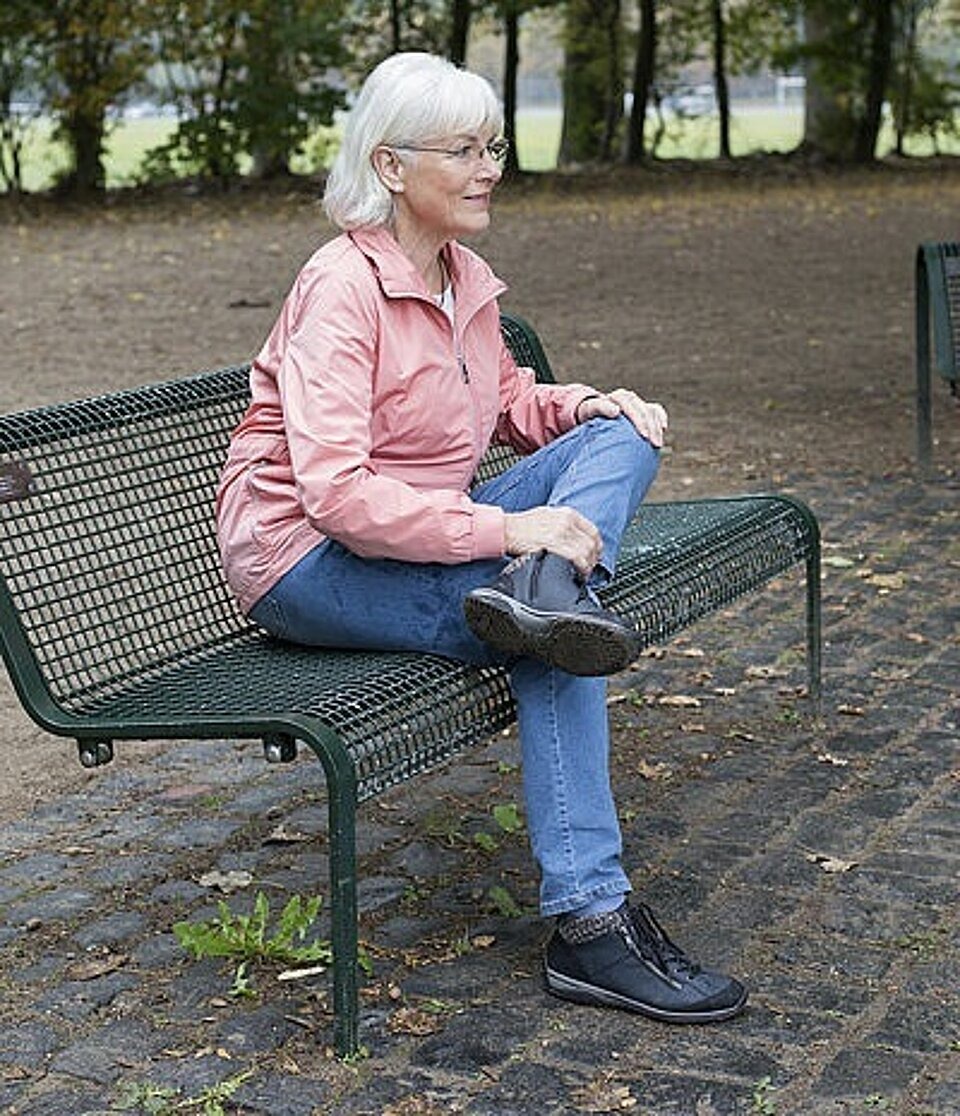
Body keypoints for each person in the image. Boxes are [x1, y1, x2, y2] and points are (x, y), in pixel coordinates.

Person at [216, 51, 747, 1024]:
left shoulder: (462, 277)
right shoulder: (342, 290)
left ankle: (546, 584)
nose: (488, 166)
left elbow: (505, 405)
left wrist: (590, 403)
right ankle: (592, 928)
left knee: (622, 436)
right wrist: (508, 526)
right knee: (541, 637)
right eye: (462, 149)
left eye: (491, 145)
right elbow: (333, 495)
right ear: (389, 167)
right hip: (305, 558)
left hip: (420, 529)